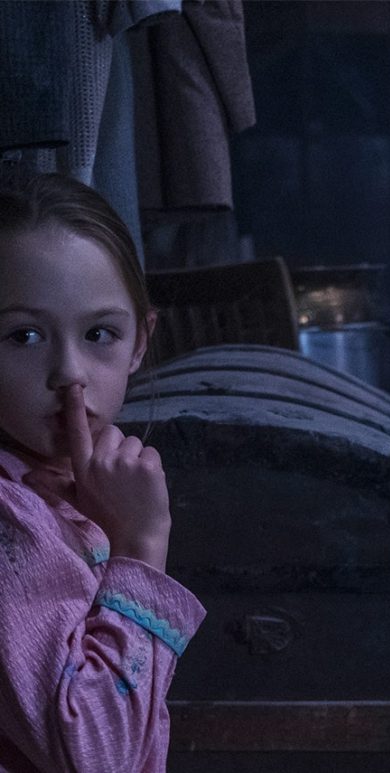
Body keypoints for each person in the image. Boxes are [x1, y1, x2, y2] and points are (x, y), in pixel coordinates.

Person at [0, 173, 205, 771]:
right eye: (24, 335)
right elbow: (98, 758)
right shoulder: (11, 519)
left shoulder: (64, 488)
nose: (69, 372)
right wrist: (140, 546)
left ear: (140, 341)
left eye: (99, 334)